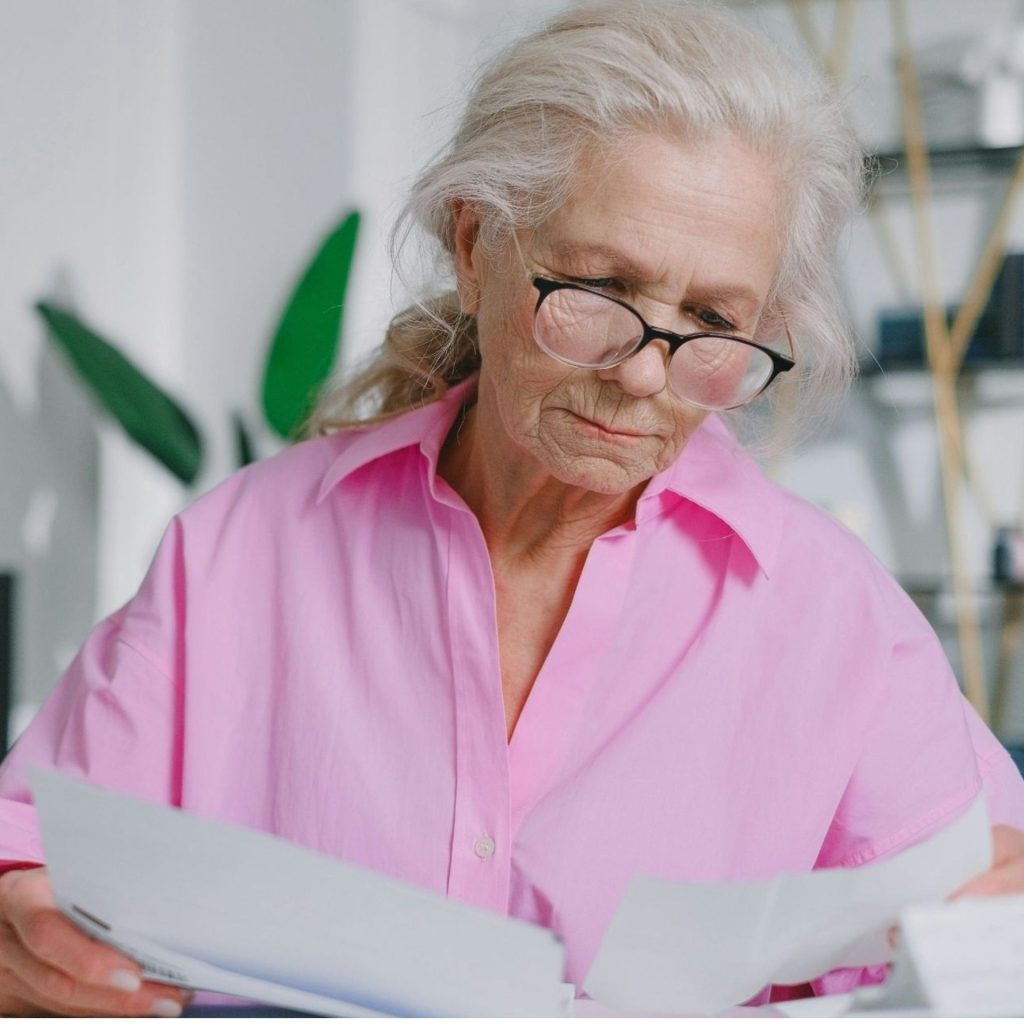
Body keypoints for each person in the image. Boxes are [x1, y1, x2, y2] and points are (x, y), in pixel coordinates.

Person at [1, 0, 1023, 1016]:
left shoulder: (834, 618)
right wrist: (24, 927)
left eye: (712, 320)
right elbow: (33, 844)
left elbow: (965, 927)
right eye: (598, 288)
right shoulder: (239, 552)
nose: (643, 376)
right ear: (475, 242)